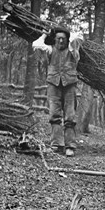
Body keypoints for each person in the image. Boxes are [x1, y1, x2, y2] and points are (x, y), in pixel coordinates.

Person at [33, 27, 84, 157]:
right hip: (53, 85)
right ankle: (56, 145)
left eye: (63, 39)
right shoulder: (50, 50)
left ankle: (70, 146)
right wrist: (45, 35)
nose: (61, 41)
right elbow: (36, 45)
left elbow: (78, 38)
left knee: (70, 116)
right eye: (58, 39)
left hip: (69, 85)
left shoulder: (73, 52)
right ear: (54, 40)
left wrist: (69, 33)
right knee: (54, 115)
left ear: (67, 40)